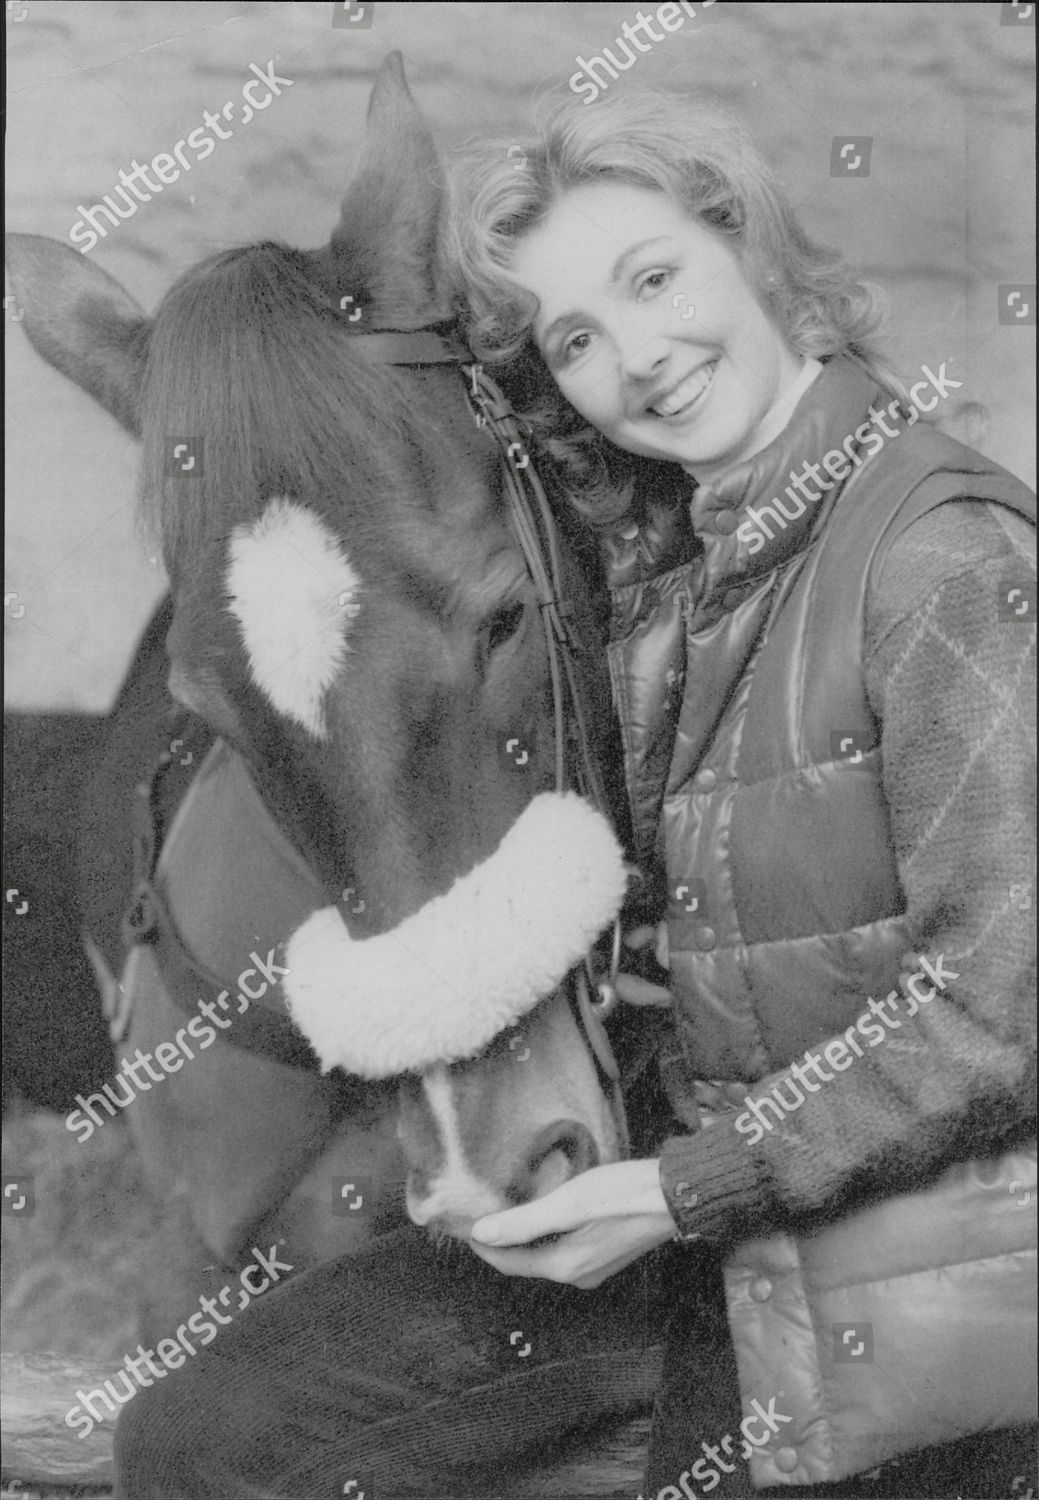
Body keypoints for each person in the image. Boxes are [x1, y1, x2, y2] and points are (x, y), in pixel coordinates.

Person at [113, 87, 1035, 1500]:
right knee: (188, 1438)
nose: (641, 359)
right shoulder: (670, 562)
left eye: (655, 278)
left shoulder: (941, 561)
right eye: (578, 340)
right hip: (711, 1227)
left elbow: (1000, 1012)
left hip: (890, 1256)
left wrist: (678, 1188)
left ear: (751, 247)